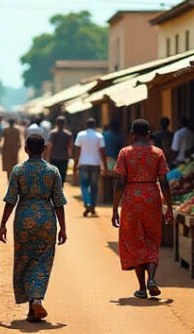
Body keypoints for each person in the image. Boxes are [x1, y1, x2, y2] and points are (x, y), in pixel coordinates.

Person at [0, 134, 67, 321]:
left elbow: (11, 199)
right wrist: (63, 228)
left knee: (25, 259)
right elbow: (58, 202)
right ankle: (36, 300)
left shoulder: (18, 171)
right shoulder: (53, 171)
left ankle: (32, 304)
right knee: (43, 260)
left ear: (26, 149)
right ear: (44, 149)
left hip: (23, 218)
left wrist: (3, 224)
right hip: (46, 218)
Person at [111, 120, 173, 298]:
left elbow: (120, 183)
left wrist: (115, 208)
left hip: (131, 199)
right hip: (152, 197)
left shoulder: (125, 153)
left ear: (132, 134)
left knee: (136, 239)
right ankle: (152, 278)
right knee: (152, 239)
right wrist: (168, 207)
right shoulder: (157, 153)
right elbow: (164, 183)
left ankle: (141, 287)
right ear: (148, 134)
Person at [73, 117, 107, 217]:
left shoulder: (81, 135)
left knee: (84, 185)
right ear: (94, 125)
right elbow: (102, 152)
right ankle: (92, 207)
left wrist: (75, 165)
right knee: (94, 187)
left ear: (86, 125)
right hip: (95, 164)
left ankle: (87, 203)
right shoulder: (99, 136)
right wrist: (105, 166)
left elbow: (77, 151)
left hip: (83, 163)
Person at [46, 117, 73, 183]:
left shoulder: (52, 133)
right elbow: (70, 147)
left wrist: (47, 157)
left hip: (54, 158)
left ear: (56, 123)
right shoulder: (68, 134)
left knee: (54, 176)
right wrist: (69, 156)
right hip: (64, 158)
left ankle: (55, 191)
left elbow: (49, 146)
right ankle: (60, 190)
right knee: (62, 176)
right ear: (64, 124)